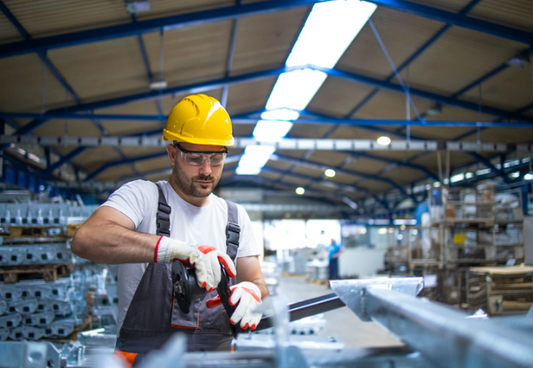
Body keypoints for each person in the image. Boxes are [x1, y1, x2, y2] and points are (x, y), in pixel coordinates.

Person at [71, 94, 269, 366]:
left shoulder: (235, 218)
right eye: (195, 157)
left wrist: (252, 292)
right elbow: (86, 239)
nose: (206, 170)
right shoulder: (143, 197)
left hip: (218, 360)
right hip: (143, 360)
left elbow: (258, 284)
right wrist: (174, 249)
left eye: (216, 158)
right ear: (172, 153)